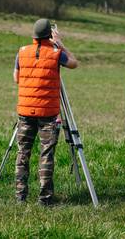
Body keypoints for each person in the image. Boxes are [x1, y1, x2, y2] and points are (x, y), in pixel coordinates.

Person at [13, 19, 78, 205]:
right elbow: (74, 63)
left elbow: (16, 78)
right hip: (48, 114)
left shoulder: (22, 52)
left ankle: (20, 196)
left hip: (25, 111)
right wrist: (61, 44)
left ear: (33, 35)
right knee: (46, 154)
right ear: (50, 34)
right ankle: (45, 198)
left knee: (23, 153)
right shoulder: (56, 54)